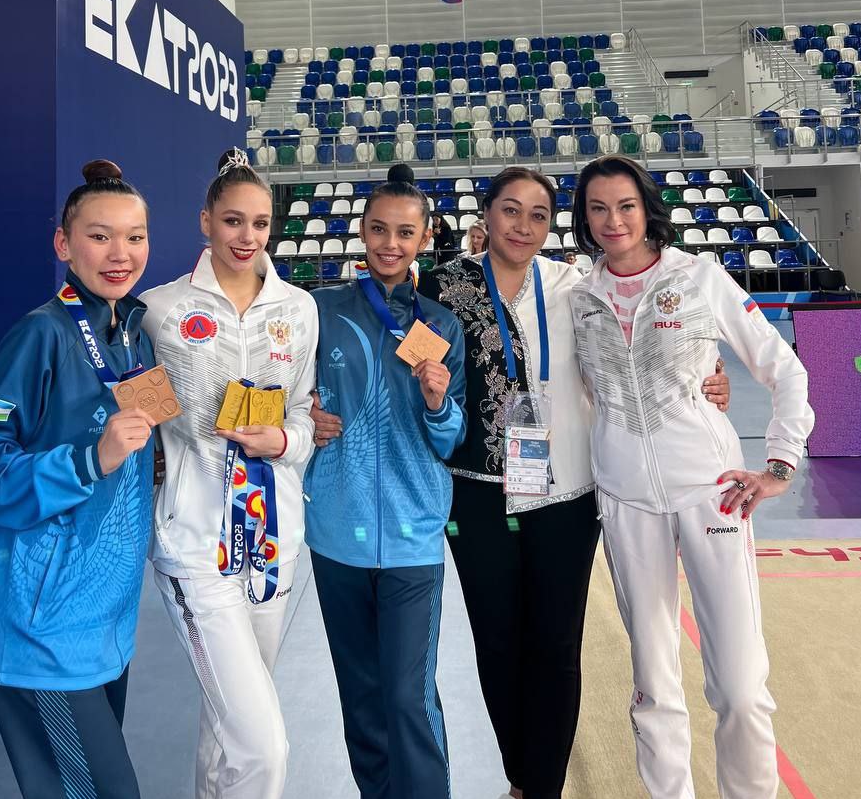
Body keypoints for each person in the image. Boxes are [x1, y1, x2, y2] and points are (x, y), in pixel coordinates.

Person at [415, 166, 730, 799]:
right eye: (510, 210)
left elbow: (639, 348)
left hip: (566, 494)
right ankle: (520, 776)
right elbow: (410, 366)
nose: (523, 226)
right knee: (497, 644)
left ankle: (543, 788)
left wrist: (705, 379)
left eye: (538, 215)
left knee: (557, 645)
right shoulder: (442, 288)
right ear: (486, 213)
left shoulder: (575, 287)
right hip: (477, 490)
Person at [569, 155, 814, 799]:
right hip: (626, 501)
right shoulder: (578, 295)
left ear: (647, 207)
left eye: (626, 205)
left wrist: (779, 463)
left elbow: (785, 369)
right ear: (584, 219)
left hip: (713, 492)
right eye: (598, 208)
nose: (614, 220)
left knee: (740, 684)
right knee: (653, 682)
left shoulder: (700, 277)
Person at [0, 159, 156, 799]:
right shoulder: (40, 334)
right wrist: (87, 460)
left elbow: (143, 455)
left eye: (135, 236)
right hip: (44, 631)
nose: (120, 254)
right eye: (100, 236)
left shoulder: (134, 333)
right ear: (64, 244)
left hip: (107, 619)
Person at [139, 150, 319, 799]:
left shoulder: (298, 308)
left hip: (272, 541)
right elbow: (139, 413)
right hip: (195, 541)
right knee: (263, 746)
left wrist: (283, 440)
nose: (247, 237)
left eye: (260, 223)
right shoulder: (159, 309)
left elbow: (302, 414)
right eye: (233, 221)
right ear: (206, 221)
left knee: (228, 725)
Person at [306, 172, 467, 799]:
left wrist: (437, 402)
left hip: (412, 535)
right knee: (362, 696)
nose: (390, 244)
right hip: (335, 531)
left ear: (425, 238)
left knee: (408, 696)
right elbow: (286, 391)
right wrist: (302, 417)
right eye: (379, 229)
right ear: (362, 231)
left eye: (404, 232)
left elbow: (451, 437)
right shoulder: (322, 311)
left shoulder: (442, 325)